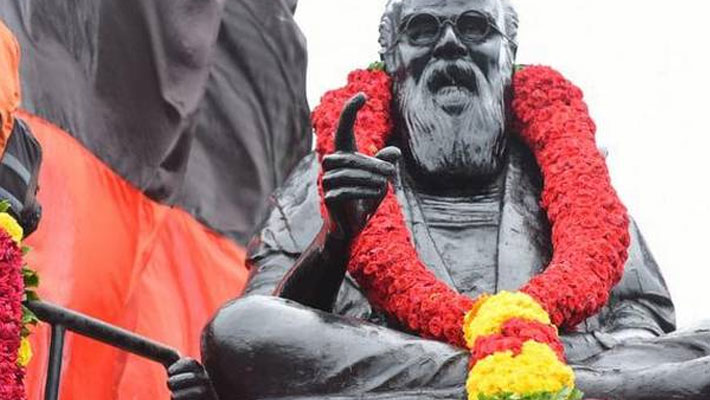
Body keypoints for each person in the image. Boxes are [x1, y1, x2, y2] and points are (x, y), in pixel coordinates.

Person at [168, 0, 710, 399]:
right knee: (240, 328)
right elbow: (268, 326)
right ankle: (545, 387)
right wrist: (337, 238)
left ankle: (517, 381)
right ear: (391, 59)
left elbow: (643, 325)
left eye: (474, 27)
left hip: (438, 377)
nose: (450, 45)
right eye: (423, 30)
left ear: (509, 56)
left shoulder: (573, 175)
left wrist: (546, 349)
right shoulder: (335, 168)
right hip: (570, 378)